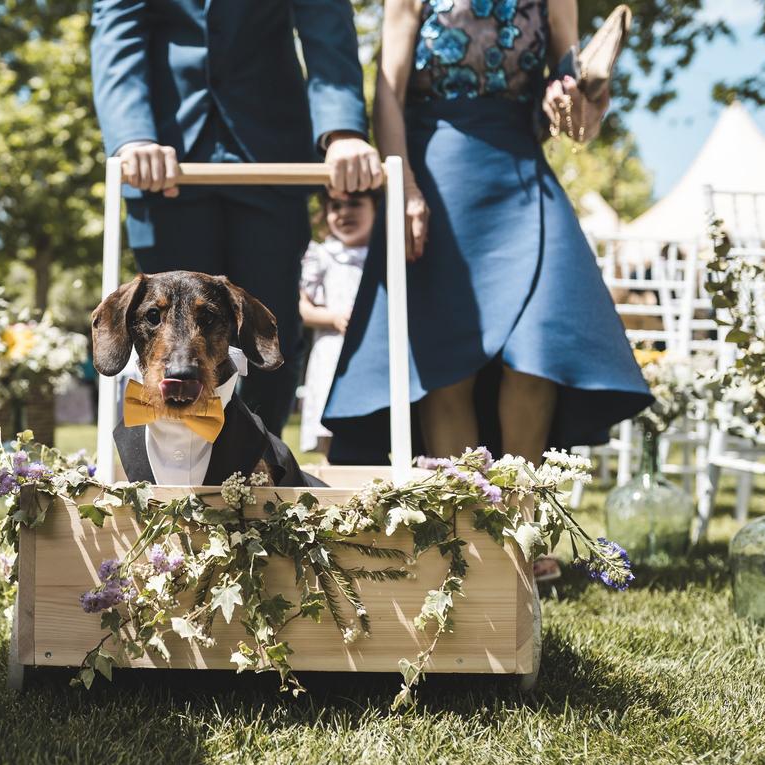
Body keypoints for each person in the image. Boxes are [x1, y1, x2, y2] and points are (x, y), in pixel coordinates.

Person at [323, 0, 651, 475]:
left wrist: (576, 102)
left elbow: (576, 123)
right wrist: (406, 188)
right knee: (447, 365)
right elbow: (387, 93)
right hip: (437, 178)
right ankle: (467, 530)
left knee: (537, 356)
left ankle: (522, 527)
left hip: (521, 177)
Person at [90, 0, 383, 436]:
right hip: (162, 161)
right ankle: (174, 485)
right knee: (163, 326)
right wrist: (132, 135)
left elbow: (325, 20)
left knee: (271, 331)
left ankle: (259, 478)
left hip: (271, 153)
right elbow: (117, 24)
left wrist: (342, 131)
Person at [298, 189, 377, 456]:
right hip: (333, 350)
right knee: (330, 424)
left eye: (355, 204)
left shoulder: (384, 254)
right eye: (336, 207)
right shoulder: (322, 255)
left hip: (376, 352)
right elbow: (302, 307)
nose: (344, 213)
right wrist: (333, 317)